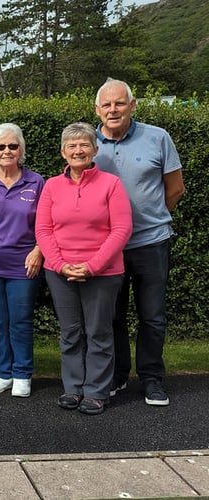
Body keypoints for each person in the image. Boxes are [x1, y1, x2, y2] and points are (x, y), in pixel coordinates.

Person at [93, 79, 186, 406]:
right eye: (107, 105)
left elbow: (174, 189)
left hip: (151, 242)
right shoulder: (88, 144)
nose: (113, 110)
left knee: (152, 315)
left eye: (119, 103)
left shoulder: (157, 138)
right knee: (112, 316)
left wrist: (150, 218)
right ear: (97, 110)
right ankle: (118, 376)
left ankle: (151, 379)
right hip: (107, 248)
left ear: (132, 105)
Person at [35, 122, 132, 415]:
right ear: (63, 152)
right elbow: (43, 229)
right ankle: (73, 388)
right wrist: (62, 265)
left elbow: (122, 229)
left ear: (95, 149)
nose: (78, 150)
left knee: (99, 332)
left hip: (102, 273)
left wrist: (91, 266)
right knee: (71, 332)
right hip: (59, 272)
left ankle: (96, 391)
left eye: (84, 145)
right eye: (72, 146)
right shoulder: (51, 186)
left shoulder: (111, 184)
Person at [0, 123, 45, 398]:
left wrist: (39, 249)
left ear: (21, 150)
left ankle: (22, 373)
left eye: (12, 146)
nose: (7, 151)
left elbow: (46, 222)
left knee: (20, 320)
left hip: (24, 263)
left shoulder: (36, 181)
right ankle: (3, 372)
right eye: (1, 146)